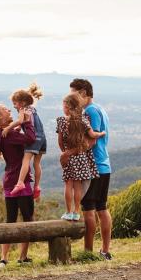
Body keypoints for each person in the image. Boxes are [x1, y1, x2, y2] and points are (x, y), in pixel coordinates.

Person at [64, 78, 113, 260]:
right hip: (104, 165)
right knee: (102, 207)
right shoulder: (100, 109)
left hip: (93, 166)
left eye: (74, 94)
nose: (72, 98)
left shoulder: (90, 111)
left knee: (89, 209)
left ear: (83, 93)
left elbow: (91, 141)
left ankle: (88, 252)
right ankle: (105, 251)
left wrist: (70, 153)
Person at [0, 103, 36, 268]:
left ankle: (4, 258)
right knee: (27, 218)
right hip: (20, 181)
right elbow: (31, 139)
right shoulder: (9, 134)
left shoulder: (1, 134)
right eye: (5, 109)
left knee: (10, 219)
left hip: (8, 180)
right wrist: (27, 121)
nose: (9, 110)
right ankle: (22, 257)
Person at [55, 93, 105, 221]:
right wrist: (101, 133)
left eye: (63, 106)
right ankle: (76, 212)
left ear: (67, 107)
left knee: (68, 185)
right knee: (78, 186)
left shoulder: (61, 121)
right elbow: (92, 135)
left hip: (68, 158)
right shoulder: (83, 120)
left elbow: (60, 141)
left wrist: (65, 152)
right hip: (81, 157)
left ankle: (68, 211)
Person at [3, 83, 46, 199]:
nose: (14, 106)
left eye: (15, 103)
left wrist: (9, 127)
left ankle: (20, 182)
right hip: (42, 138)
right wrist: (19, 128)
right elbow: (29, 122)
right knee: (37, 163)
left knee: (25, 160)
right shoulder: (32, 109)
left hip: (34, 138)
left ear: (21, 103)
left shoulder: (23, 109)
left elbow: (21, 120)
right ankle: (37, 186)